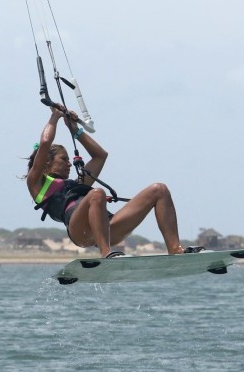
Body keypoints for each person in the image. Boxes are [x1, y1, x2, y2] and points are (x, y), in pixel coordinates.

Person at [25, 106, 204, 258]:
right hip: (80, 232)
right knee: (97, 193)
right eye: (64, 159)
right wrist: (55, 115)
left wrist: (75, 130)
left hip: (109, 228)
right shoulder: (37, 184)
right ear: (47, 162)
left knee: (159, 190)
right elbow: (46, 141)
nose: (69, 163)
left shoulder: (78, 184)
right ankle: (106, 253)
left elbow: (100, 155)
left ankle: (175, 248)